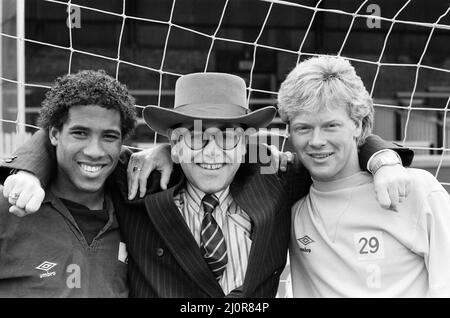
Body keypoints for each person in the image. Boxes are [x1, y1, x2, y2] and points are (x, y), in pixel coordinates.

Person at [1, 72, 413, 297]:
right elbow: (78, 145)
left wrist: (385, 159)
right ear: (174, 142)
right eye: (196, 136)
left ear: (247, 142)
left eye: (228, 136)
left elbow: (332, 146)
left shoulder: (277, 180)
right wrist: (26, 170)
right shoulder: (139, 185)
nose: (212, 151)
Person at [277, 55, 450, 297]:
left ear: (357, 125)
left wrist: (385, 160)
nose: (316, 141)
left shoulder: (417, 191)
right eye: (303, 128)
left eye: (331, 126)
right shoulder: (291, 203)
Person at [0, 70, 137, 297]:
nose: (94, 151)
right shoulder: (9, 205)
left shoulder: (135, 209)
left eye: (109, 137)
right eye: (80, 133)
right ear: (54, 134)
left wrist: (164, 152)